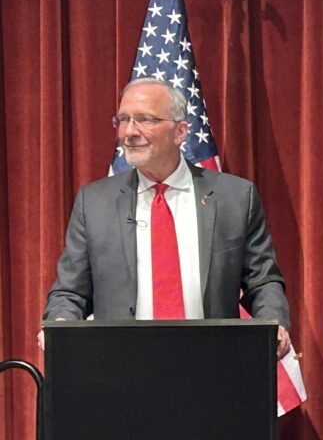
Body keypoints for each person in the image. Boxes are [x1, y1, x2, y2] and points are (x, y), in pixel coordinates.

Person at [41, 78, 291, 357]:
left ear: (180, 131)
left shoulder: (235, 197)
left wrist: (274, 322)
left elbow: (262, 281)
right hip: (121, 366)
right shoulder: (94, 202)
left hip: (213, 362)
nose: (129, 132)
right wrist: (60, 323)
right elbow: (71, 291)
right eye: (123, 120)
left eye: (144, 120)